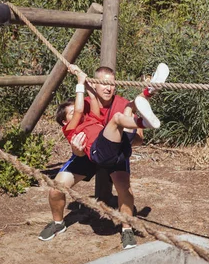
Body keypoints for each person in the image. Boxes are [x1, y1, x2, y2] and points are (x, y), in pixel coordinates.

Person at [39, 64, 168, 250]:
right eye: (104, 84)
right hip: (87, 152)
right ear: (96, 85)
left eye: (112, 84)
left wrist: (117, 140)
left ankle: (126, 229)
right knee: (55, 189)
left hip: (113, 148)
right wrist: (81, 81)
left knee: (124, 186)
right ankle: (58, 223)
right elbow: (80, 107)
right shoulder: (84, 110)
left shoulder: (116, 104)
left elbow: (138, 140)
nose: (108, 88)